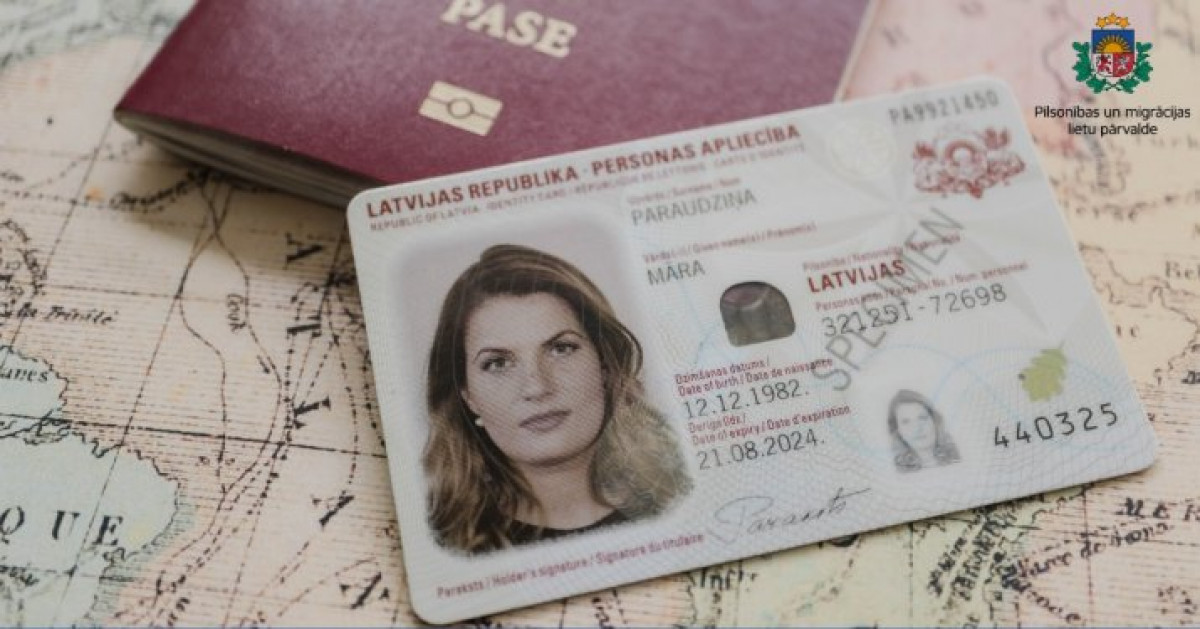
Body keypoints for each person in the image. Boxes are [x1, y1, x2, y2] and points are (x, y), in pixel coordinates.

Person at [423, 244, 691, 554]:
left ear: (605, 365)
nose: (537, 387)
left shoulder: (687, 501)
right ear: (468, 397)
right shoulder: (442, 549)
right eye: (498, 363)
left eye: (561, 349)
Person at [887, 389, 960, 472]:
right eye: (906, 422)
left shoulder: (959, 456)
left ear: (934, 421)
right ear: (897, 431)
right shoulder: (896, 472)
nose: (917, 428)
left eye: (922, 418)